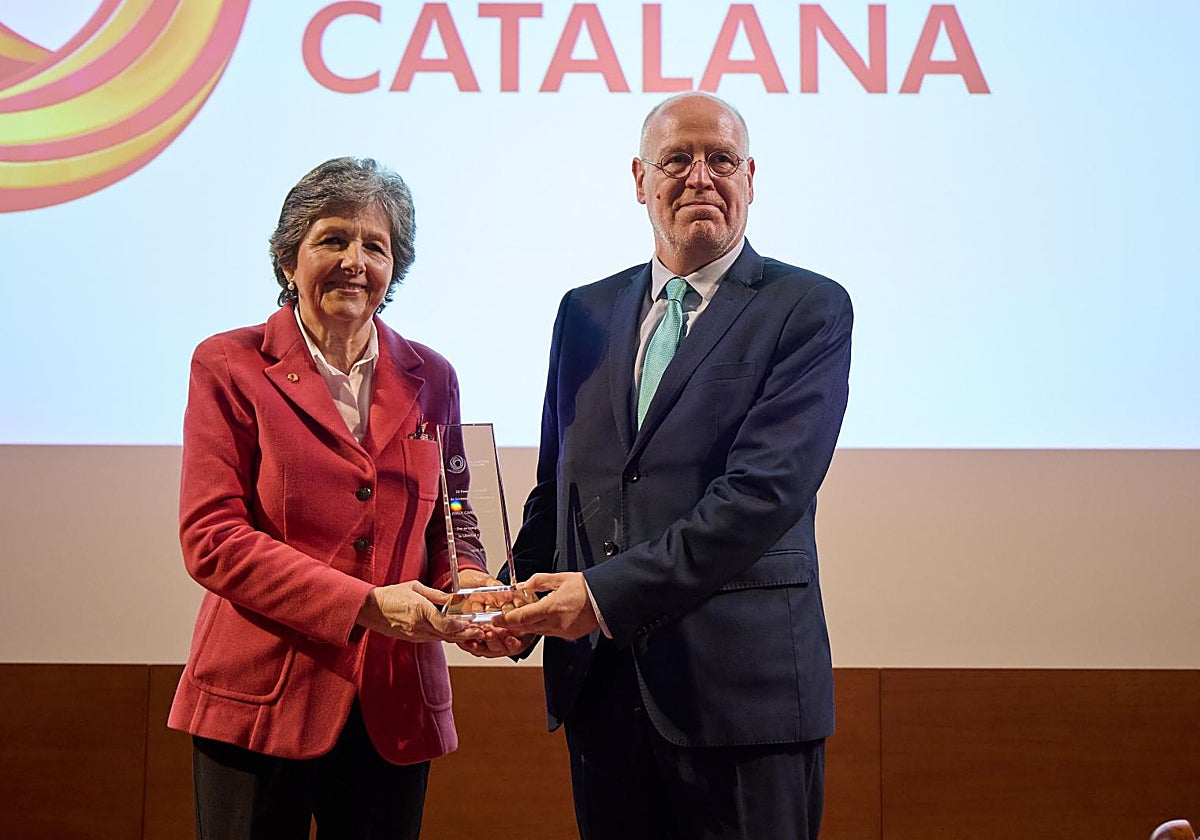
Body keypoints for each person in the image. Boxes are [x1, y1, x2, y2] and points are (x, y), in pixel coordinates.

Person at [473, 93, 853, 839]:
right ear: (640, 179)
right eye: (677, 159)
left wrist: (598, 595)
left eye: (721, 159)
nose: (700, 177)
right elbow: (561, 490)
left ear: (751, 177)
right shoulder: (584, 312)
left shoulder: (806, 307)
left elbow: (761, 495)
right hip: (604, 699)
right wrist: (511, 603)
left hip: (743, 700)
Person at [168, 157, 494, 840]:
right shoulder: (228, 364)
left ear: (393, 268)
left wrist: (470, 584)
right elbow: (212, 539)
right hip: (258, 703)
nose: (355, 261)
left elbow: (456, 517)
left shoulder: (432, 375)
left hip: (394, 708)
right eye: (334, 239)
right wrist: (367, 606)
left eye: (375, 246)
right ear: (289, 259)